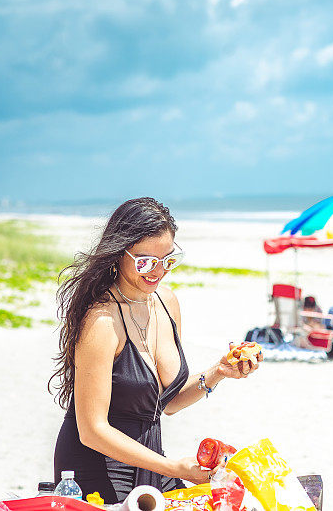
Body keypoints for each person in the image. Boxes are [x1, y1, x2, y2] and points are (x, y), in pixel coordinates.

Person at [50, 198, 261, 503]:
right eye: (144, 262)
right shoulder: (102, 321)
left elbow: (168, 402)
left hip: (150, 460)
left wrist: (218, 372)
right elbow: (91, 430)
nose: (157, 271)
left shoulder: (166, 301)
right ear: (117, 255)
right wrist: (172, 467)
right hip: (96, 468)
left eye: (168, 260)